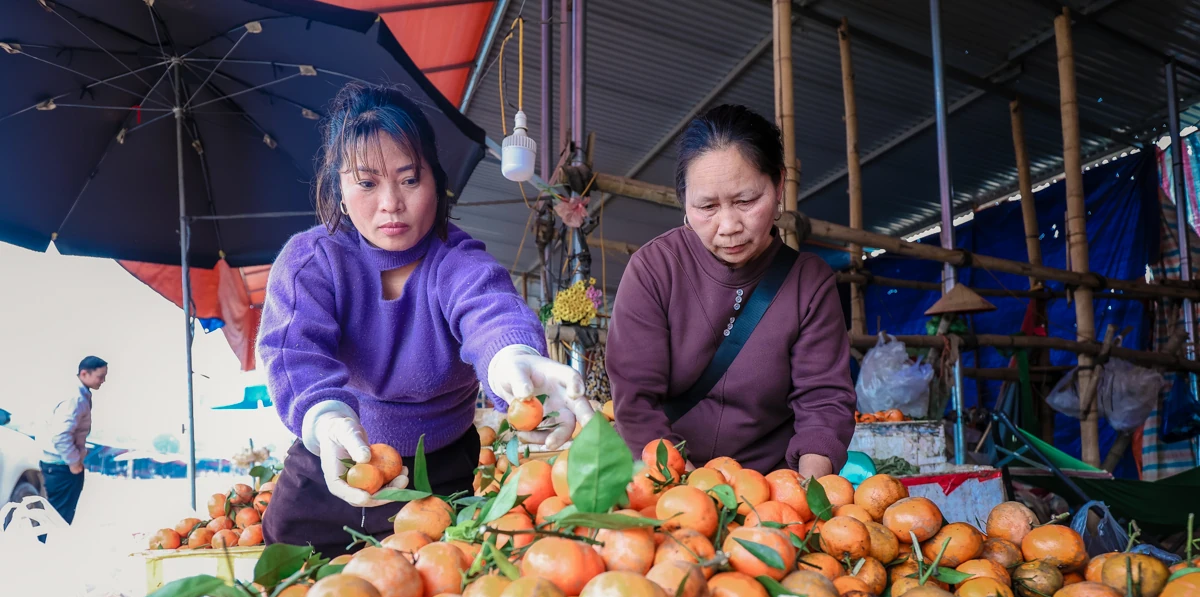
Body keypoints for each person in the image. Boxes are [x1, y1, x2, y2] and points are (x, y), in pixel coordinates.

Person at [258, 82, 592, 556]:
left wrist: (513, 360)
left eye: (409, 179)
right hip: (332, 462)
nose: (391, 202)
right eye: (367, 182)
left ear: (436, 181)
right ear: (339, 185)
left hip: (437, 474)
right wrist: (325, 415)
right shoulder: (312, 261)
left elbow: (489, 312)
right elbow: (294, 352)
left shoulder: (457, 261)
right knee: (292, 594)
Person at [606, 105, 855, 477]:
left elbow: (823, 403)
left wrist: (804, 494)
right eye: (707, 206)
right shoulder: (654, 269)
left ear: (779, 185)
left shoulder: (809, 283)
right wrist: (685, 490)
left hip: (773, 491)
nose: (728, 226)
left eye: (746, 201)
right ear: (684, 203)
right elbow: (637, 402)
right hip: (670, 484)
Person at [37, 356, 107, 524]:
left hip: (58, 465)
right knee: (57, 520)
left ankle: (52, 548)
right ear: (84, 373)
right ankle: (52, 549)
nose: (103, 381)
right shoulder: (75, 399)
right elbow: (61, 435)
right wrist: (74, 462)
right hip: (61, 466)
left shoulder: (78, 394)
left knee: (57, 518)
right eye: (100, 376)